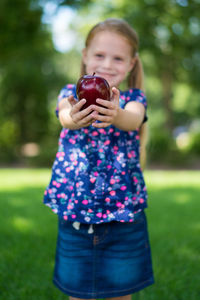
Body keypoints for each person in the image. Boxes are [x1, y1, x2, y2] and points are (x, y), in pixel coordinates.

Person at [44, 18, 154, 300]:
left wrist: (116, 114)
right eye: (99, 55)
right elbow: (65, 116)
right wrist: (76, 117)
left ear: (131, 64)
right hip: (76, 211)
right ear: (85, 56)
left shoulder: (133, 98)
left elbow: (133, 119)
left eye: (118, 58)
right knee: (77, 291)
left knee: (121, 291)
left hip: (122, 214)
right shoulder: (71, 94)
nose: (107, 64)